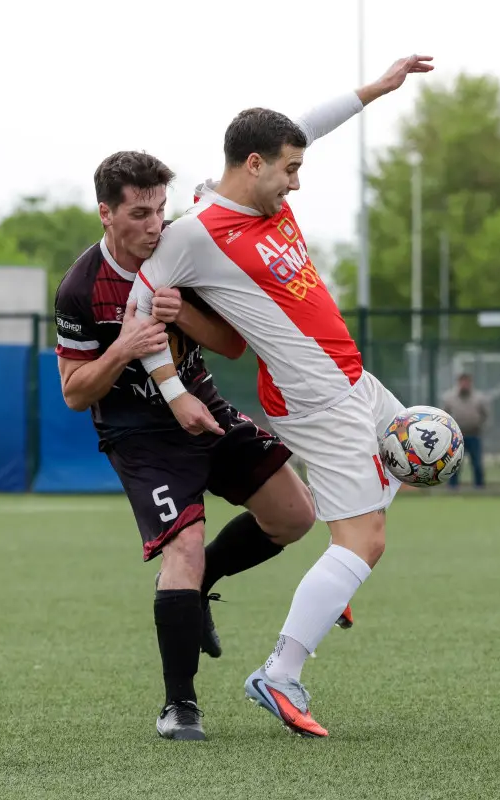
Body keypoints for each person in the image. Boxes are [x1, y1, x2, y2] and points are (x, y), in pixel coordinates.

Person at [127, 54, 434, 738]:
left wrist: (376, 91)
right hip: (313, 399)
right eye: (289, 170)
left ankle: (334, 586)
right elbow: (139, 309)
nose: (297, 182)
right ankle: (281, 672)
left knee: (405, 464)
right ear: (255, 164)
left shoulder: (260, 187)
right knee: (365, 540)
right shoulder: (195, 234)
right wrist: (174, 391)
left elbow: (307, 127)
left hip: (352, 378)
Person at [54, 151, 352, 742]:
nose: (153, 226)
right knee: (182, 550)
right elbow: (73, 394)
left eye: (161, 210)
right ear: (105, 213)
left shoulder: (183, 256)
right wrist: (122, 349)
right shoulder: (81, 289)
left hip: (206, 407)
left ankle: (201, 586)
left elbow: (233, 346)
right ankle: (180, 705)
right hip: (141, 436)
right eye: (138, 213)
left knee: (295, 515)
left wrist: (184, 313)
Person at [441, 372, 490, 487]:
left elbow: (486, 415)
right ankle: (453, 488)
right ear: (458, 383)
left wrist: (480, 426)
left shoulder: (479, 398)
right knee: (454, 464)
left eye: (466, 382)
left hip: (474, 435)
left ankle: (479, 487)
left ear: (470, 383)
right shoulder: (450, 398)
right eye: (462, 382)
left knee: (477, 463)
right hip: (456, 437)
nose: (464, 385)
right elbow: (444, 415)